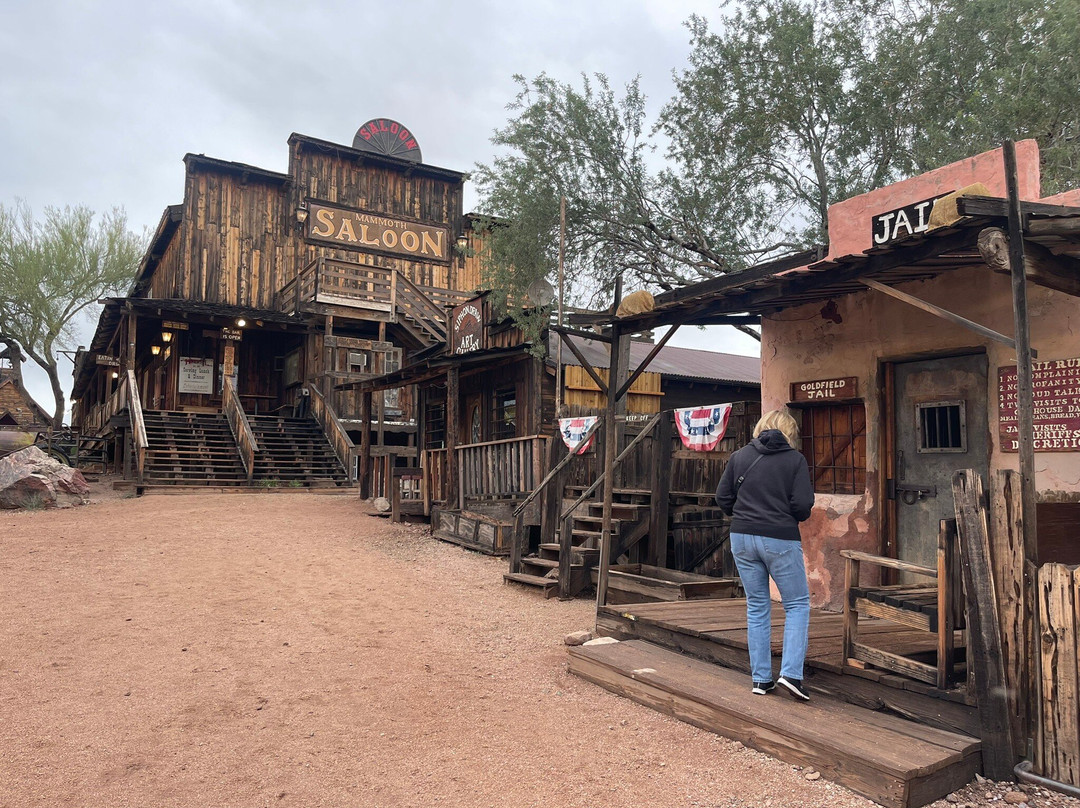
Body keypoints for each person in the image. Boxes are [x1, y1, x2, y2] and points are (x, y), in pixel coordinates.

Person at [715, 408, 815, 701]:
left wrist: (746, 516)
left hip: (742, 537)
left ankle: (761, 679)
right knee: (797, 604)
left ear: (761, 427)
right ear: (790, 433)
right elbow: (802, 506)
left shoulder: (740, 456)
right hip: (780, 538)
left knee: (757, 605)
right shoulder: (795, 460)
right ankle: (792, 675)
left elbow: (723, 498)